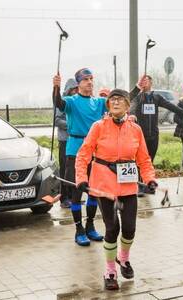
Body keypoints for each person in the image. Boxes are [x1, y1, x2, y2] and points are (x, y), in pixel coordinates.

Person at [75, 89, 157, 290]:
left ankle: (124, 258)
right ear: (108, 105)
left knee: (130, 228)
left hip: (128, 186)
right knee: (113, 229)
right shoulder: (99, 127)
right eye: (112, 99)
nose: (116, 102)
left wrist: (150, 179)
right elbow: (83, 154)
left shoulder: (135, 129)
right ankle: (110, 270)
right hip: (104, 186)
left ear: (128, 106)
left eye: (121, 99)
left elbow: (144, 159)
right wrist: (81, 179)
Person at [53, 68, 143, 246]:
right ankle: (78, 229)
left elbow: (122, 100)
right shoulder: (72, 101)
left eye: (91, 78)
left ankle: (90, 226)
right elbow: (58, 103)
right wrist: (55, 88)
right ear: (78, 83)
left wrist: (138, 88)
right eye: (85, 79)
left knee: (94, 192)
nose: (89, 82)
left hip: (97, 153)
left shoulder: (100, 101)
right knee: (77, 193)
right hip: (76, 150)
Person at [130, 75, 183, 195]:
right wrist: (132, 115)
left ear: (151, 83)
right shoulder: (138, 97)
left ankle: (148, 183)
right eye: (143, 81)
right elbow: (132, 106)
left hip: (154, 134)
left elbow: (171, 106)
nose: (145, 82)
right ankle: (139, 185)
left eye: (147, 80)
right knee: (139, 161)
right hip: (140, 135)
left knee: (150, 161)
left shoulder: (156, 97)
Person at [54, 79, 78, 208]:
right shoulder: (63, 101)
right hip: (65, 140)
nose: (75, 91)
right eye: (73, 89)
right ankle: (64, 198)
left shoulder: (77, 102)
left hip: (75, 141)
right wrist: (71, 125)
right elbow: (56, 120)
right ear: (68, 89)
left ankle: (74, 197)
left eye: (77, 89)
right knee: (64, 169)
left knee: (74, 170)